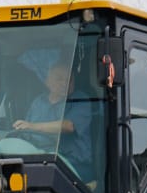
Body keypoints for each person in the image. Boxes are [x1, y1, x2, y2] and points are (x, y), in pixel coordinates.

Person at [12, 48, 94, 179]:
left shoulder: (81, 100)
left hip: (73, 166)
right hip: (40, 160)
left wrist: (32, 126)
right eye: (59, 79)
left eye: (69, 79)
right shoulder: (38, 102)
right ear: (47, 81)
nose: (64, 83)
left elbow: (68, 126)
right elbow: (26, 133)